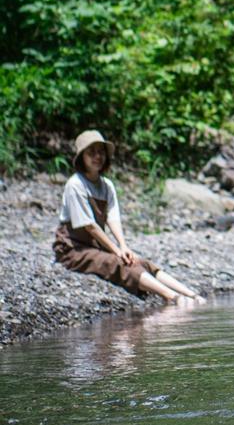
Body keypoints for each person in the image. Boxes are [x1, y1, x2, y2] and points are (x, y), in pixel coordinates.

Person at [53, 130, 203, 306]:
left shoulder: (107, 185)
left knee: (139, 261)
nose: (97, 156)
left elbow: (112, 217)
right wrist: (117, 251)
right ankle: (173, 298)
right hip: (72, 250)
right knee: (117, 262)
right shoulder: (75, 184)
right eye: (91, 152)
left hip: (94, 245)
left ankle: (191, 295)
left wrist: (124, 246)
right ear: (82, 158)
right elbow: (89, 226)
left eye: (101, 151)